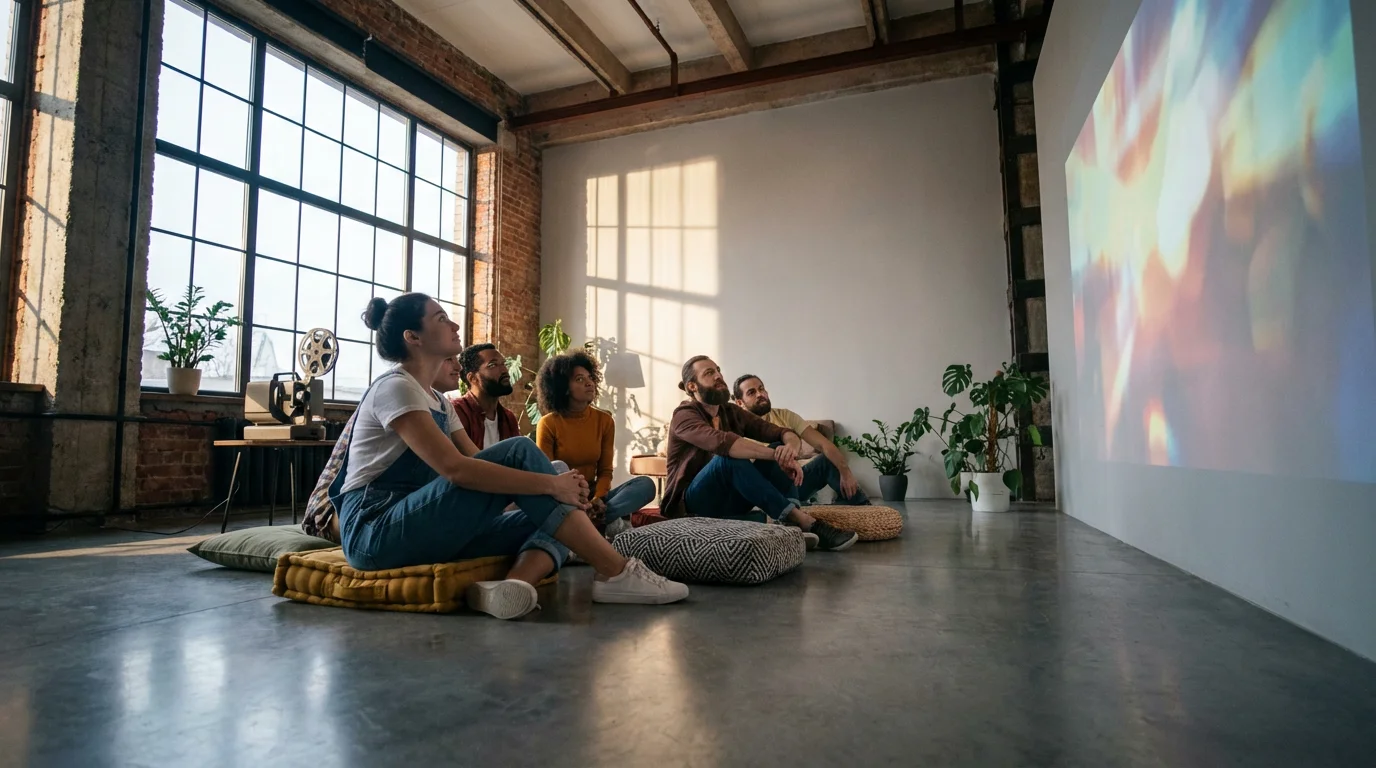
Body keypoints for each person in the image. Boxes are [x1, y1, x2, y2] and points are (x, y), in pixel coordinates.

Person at [331, 293, 688, 619]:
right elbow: (457, 470)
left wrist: (547, 492)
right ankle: (616, 571)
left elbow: (480, 463)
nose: (455, 325)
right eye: (441, 319)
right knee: (526, 456)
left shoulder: (439, 402)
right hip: (375, 532)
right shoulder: (395, 387)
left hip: (426, 525)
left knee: (558, 519)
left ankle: (514, 586)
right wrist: (551, 484)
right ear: (413, 337)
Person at [661, 355, 859, 552]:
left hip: (730, 499)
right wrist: (777, 457)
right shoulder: (684, 415)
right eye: (709, 373)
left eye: (718, 370)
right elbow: (726, 444)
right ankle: (805, 522)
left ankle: (790, 521)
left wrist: (788, 450)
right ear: (692, 386)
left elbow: (780, 432)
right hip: (693, 502)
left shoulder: (730, 411)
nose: (719, 376)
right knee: (729, 458)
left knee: (775, 446)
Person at [303, 356, 467, 544]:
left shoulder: (443, 403)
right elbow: (456, 467)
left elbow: (475, 456)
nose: (458, 367)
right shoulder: (396, 388)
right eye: (447, 359)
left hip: (403, 500)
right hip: (340, 510)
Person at [535, 350, 656, 541]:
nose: (589, 383)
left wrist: (597, 498)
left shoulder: (604, 420)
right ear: (563, 387)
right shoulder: (549, 423)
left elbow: (605, 471)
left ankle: (593, 520)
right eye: (580, 379)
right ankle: (599, 523)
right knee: (558, 475)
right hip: (566, 497)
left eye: (590, 377)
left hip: (595, 497)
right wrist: (577, 499)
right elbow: (547, 475)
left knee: (645, 485)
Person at [732, 374, 871, 506]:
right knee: (778, 446)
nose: (760, 394)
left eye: (761, 388)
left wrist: (846, 472)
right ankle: (791, 511)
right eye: (751, 392)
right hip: (759, 490)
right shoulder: (734, 426)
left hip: (792, 483)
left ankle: (868, 512)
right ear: (739, 403)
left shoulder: (784, 415)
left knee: (826, 460)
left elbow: (823, 444)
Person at [450, 343, 521, 449]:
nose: (504, 370)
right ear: (473, 378)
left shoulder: (508, 418)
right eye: (493, 365)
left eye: (503, 364)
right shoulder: (456, 411)